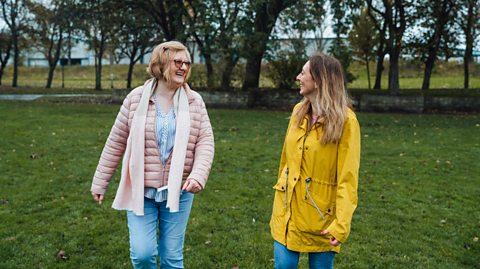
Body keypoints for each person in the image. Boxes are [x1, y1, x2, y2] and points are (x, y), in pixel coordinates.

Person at [90, 41, 214, 269]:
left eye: (187, 63)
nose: (184, 67)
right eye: (178, 62)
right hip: (141, 191)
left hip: (179, 193)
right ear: (161, 64)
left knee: (172, 258)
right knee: (143, 254)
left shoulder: (195, 101)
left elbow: (205, 142)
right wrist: (100, 182)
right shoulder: (135, 99)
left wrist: (198, 175)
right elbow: (115, 141)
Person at [269, 53, 360, 269]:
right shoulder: (297, 112)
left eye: (303, 73)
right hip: (286, 210)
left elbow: (348, 178)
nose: (297, 77)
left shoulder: (346, 122)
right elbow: (285, 161)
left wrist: (342, 224)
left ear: (319, 80)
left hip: (321, 217)